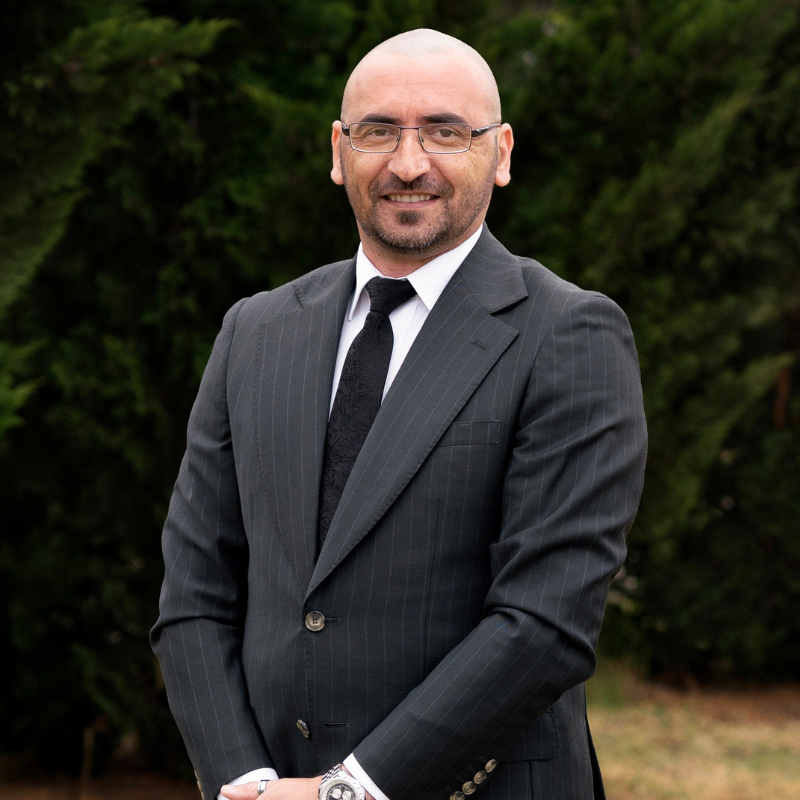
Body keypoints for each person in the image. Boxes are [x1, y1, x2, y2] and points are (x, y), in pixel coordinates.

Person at [151, 28, 647, 800]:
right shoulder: (254, 331)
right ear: (339, 150)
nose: (408, 163)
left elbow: (544, 623)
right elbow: (194, 592)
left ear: (501, 153)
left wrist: (346, 793)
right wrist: (244, 783)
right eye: (379, 130)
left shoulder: (568, 335)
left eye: (446, 132)